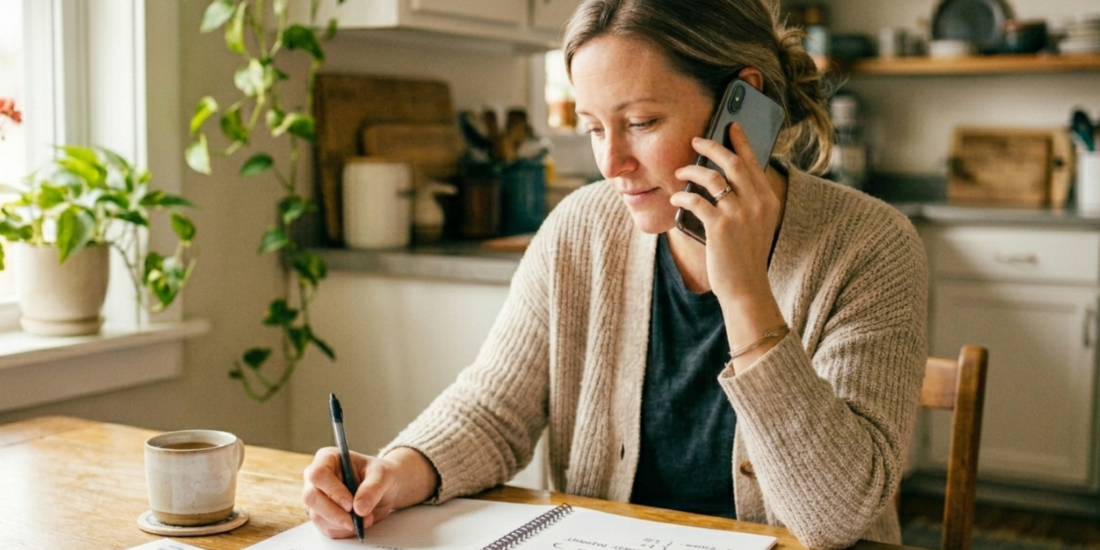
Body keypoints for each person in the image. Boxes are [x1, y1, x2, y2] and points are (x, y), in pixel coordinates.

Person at [302, 0, 927, 548]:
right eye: (595, 127)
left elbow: (836, 519)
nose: (612, 163)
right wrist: (399, 469)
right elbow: (494, 409)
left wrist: (743, 292)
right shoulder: (580, 228)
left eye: (641, 123)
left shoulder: (870, 246)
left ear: (743, 104)